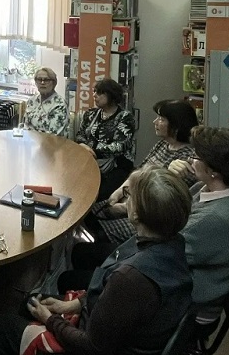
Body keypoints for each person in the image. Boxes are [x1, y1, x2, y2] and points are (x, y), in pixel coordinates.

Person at [0, 166, 193, 355]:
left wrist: (50, 320)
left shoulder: (131, 279)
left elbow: (91, 349)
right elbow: (114, 302)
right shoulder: (171, 242)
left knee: (2, 327)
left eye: (129, 195)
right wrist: (71, 305)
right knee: (29, 303)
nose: (127, 199)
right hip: (124, 347)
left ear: (136, 214)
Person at [78, 100, 200, 268]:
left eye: (161, 119)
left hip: (145, 218)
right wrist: (118, 192)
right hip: (130, 201)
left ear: (176, 125)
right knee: (89, 213)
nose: (155, 122)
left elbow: (158, 203)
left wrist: (122, 207)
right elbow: (139, 171)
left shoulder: (184, 162)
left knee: (94, 234)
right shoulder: (162, 145)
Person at [169, 128, 229, 312]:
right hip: (183, 282)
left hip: (187, 308)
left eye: (196, 156)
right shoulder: (207, 187)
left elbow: (161, 247)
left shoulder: (214, 218)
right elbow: (173, 213)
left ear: (214, 171)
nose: (190, 160)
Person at [76, 79, 137, 200]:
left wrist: (92, 149)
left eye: (99, 93)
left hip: (116, 166)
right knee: (75, 187)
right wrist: (83, 146)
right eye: (94, 91)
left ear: (111, 95)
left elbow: (120, 146)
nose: (94, 95)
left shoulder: (125, 117)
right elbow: (80, 135)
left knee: (95, 196)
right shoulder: (90, 114)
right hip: (89, 161)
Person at [23, 67, 69, 136]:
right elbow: (25, 125)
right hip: (29, 140)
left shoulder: (60, 104)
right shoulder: (31, 100)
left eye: (46, 80)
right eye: (39, 79)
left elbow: (53, 134)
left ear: (54, 83)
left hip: (51, 141)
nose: (42, 83)